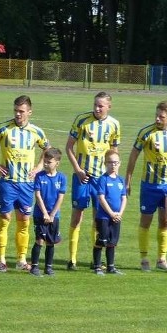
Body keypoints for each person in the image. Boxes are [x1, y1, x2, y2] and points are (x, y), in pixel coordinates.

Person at [0, 95, 50, 272]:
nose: (18, 114)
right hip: (7, 182)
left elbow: (48, 149)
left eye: (21, 111)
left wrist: (39, 167)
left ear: (29, 112)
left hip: (26, 183)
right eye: (16, 111)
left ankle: (21, 260)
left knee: (24, 220)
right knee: (5, 219)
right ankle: (1, 260)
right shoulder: (4, 128)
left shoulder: (36, 132)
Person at [125, 100, 167, 271]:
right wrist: (128, 180)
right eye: (156, 115)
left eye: (162, 117)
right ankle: (144, 258)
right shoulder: (146, 133)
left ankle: (161, 259)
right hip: (149, 185)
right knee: (145, 221)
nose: (157, 119)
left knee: (165, 222)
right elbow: (133, 157)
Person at [65, 92, 121, 270]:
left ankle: (94, 260)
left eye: (101, 106)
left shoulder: (114, 125)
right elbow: (68, 147)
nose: (97, 108)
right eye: (95, 104)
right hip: (82, 176)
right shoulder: (82, 120)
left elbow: (114, 153)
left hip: (100, 179)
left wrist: (111, 176)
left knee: (99, 218)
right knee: (77, 215)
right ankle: (72, 259)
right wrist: (78, 170)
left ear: (108, 107)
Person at [30, 148, 67, 277]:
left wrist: (52, 215)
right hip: (40, 214)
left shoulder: (61, 178)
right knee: (40, 240)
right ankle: (34, 267)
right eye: (44, 161)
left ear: (57, 163)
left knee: (51, 242)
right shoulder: (40, 176)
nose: (45, 164)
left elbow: (60, 197)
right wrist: (45, 213)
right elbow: (38, 196)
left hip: (54, 215)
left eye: (48, 162)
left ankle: (48, 267)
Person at [94, 149, 127, 275]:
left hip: (117, 217)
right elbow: (101, 198)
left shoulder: (120, 180)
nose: (113, 165)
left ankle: (111, 267)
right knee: (102, 240)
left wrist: (120, 213)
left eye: (115, 162)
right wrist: (111, 213)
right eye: (110, 162)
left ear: (119, 163)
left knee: (112, 242)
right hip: (104, 217)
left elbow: (124, 198)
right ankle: (97, 266)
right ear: (105, 163)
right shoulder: (103, 179)